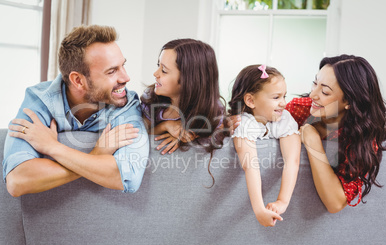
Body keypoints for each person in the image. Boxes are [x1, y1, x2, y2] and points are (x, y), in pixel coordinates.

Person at [231, 55, 386, 213]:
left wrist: (312, 139)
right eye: (315, 83)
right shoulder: (300, 109)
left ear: (349, 101)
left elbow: (335, 203)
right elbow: (258, 117)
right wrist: (229, 123)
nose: (313, 94)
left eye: (325, 92)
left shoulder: (363, 138)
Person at [3, 25, 149, 197]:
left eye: (122, 65)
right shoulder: (39, 100)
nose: (126, 77)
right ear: (78, 80)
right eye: (112, 71)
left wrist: (53, 147)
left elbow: (128, 177)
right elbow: (17, 181)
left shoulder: (125, 103)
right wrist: (96, 154)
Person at [229, 64, 301, 227]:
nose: (283, 103)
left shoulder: (284, 119)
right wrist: (259, 209)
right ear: (251, 100)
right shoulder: (243, 123)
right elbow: (251, 166)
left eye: (284, 96)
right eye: (276, 98)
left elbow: (293, 160)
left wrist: (282, 201)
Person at [140, 38, 227, 165]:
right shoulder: (151, 99)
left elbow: (217, 134)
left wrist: (186, 137)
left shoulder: (213, 109)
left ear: (189, 80)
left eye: (164, 70)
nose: (155, 73)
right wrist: (165, 126)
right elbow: (140, 135)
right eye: (158, 66)